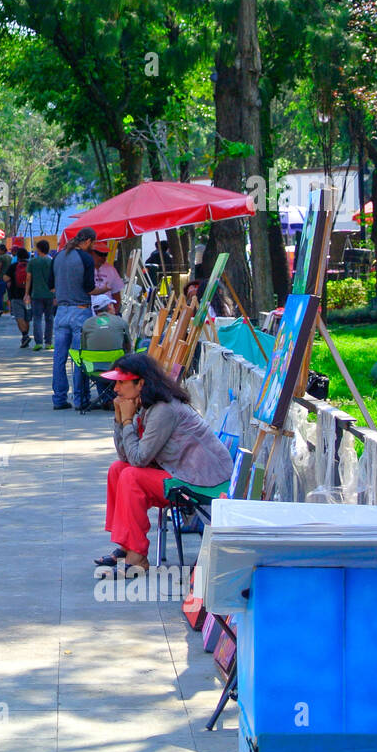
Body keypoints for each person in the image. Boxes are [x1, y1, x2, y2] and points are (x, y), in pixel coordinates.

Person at [94, 352, 233, 573]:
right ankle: (126, 545)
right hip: (179, 473)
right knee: (118, 470)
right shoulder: (148, 406)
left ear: (141, 383)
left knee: (131, 476)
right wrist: (120, 420)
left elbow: (139, 459)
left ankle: (137, 555)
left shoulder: (163, 410)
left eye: (121, 382)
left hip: (202, 482)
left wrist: (128, 420)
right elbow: (125, 457)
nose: (116, 389)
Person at [52, 227, 97, 410]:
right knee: (79, 357)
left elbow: (51, 287)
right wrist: (104, 290)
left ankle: (59, 398)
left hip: (61, 311)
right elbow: (89, 288)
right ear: (87, 241)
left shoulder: (57, 257)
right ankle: (80, 399)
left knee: (59, 357)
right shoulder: (86, 258)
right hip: (80, 310)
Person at [80, 304, 131, 409]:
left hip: (93, 370)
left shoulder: (87, 323)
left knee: (93, 365)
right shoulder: (121, 322)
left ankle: (93, 399)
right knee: (119, 361)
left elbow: (84, 348)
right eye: (112, 306)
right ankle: (113, 398)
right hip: (117, 370)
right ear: (108, 308)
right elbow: (129, 345)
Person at [28, 239, 56, 351]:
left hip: (36, 293)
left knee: (37, 318)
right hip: (50, 294)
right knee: (49, 318)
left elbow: (28, 278)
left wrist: (26, 293)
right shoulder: (52, 261)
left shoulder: (33, 262)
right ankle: (48, 343)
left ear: (39, 249)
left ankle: (38, 342)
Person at [6, 246, 34, 348]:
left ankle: (25, 335)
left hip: (16, 295)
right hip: (29, 296)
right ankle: (25, 336)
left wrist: (10, 281)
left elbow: (5, 277)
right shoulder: (31, 265)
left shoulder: (14, 266)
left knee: (19, 316)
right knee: (27, 317)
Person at [89, 243, 124, 312]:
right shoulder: (82, 268)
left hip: (105, 312)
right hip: (87, 311)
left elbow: (116, 294)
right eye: (100, 254)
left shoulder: (111, 269)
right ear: (91, 253)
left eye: (105, 254)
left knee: (101, 322)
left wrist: (114, 313)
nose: (103, 257)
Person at [0, 243, 13, 314]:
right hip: (9, 278)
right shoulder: (10, 257)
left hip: (2, 278)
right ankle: (12, 310)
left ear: (2, 250)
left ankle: (0, 309)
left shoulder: (1, 257)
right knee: (10, 295)